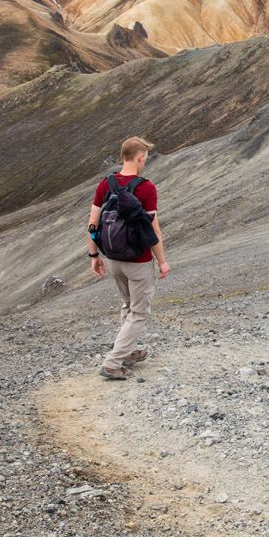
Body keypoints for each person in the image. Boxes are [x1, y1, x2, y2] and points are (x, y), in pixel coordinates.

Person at [87, 137, 170, 380]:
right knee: (139, 312)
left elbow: (93, 224)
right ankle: (112, 363)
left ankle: (128, 351)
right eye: (145, 157)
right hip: (139, 261)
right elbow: (154, 230)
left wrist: (94, 255)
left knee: (127, 305)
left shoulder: (105, 184)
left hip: (113, 257)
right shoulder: (145, 188)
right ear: (140, 157)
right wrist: (162, 261)